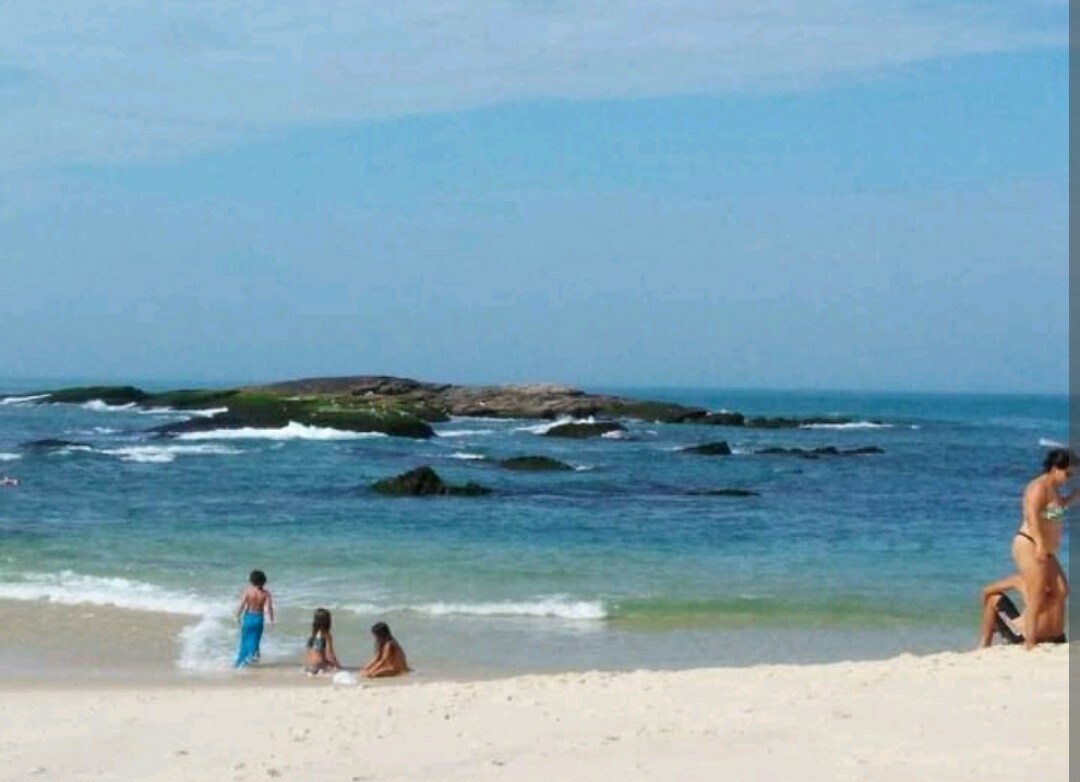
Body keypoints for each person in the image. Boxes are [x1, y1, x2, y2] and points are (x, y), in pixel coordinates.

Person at [1012, 449, 1075, 649]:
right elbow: (1032, 515)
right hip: (1030, 544)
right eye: (1068, 473)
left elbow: (1054, 511)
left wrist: (1075, 496)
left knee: (1061, 590)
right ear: (1055, 469)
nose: (1069, 478)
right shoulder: (1038, 487)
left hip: (1045, 549)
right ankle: (1029, 641)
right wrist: (1039, 544)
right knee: (1037, 593)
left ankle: (1033, 628)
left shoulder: (1053, 488)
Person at [977, 573, 1066, 647]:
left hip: (1026, 637)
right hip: (1059, 638)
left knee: (993, 598)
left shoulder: (1021, 580)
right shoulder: (1058, 582)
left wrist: (989, 621)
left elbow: (986, 591)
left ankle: (985, 643)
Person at [234, 569, 274, 668]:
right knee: (255, 640)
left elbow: (242, 604)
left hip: (248, 617)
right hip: (258, 619)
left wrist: (237, 616)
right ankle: (252, 659)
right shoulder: (266, 594)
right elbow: (269, 608)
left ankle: (240, 662)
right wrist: (271, 620)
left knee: (245, 640)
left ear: (252, 581)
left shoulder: (248, 591)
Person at [304, 608, 340, 675]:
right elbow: (330, 654)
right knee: (335, 668)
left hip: (308, 666)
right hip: (319, 666)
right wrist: (338, 666)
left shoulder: (312, 635)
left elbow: (309, 652)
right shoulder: (326, 635)